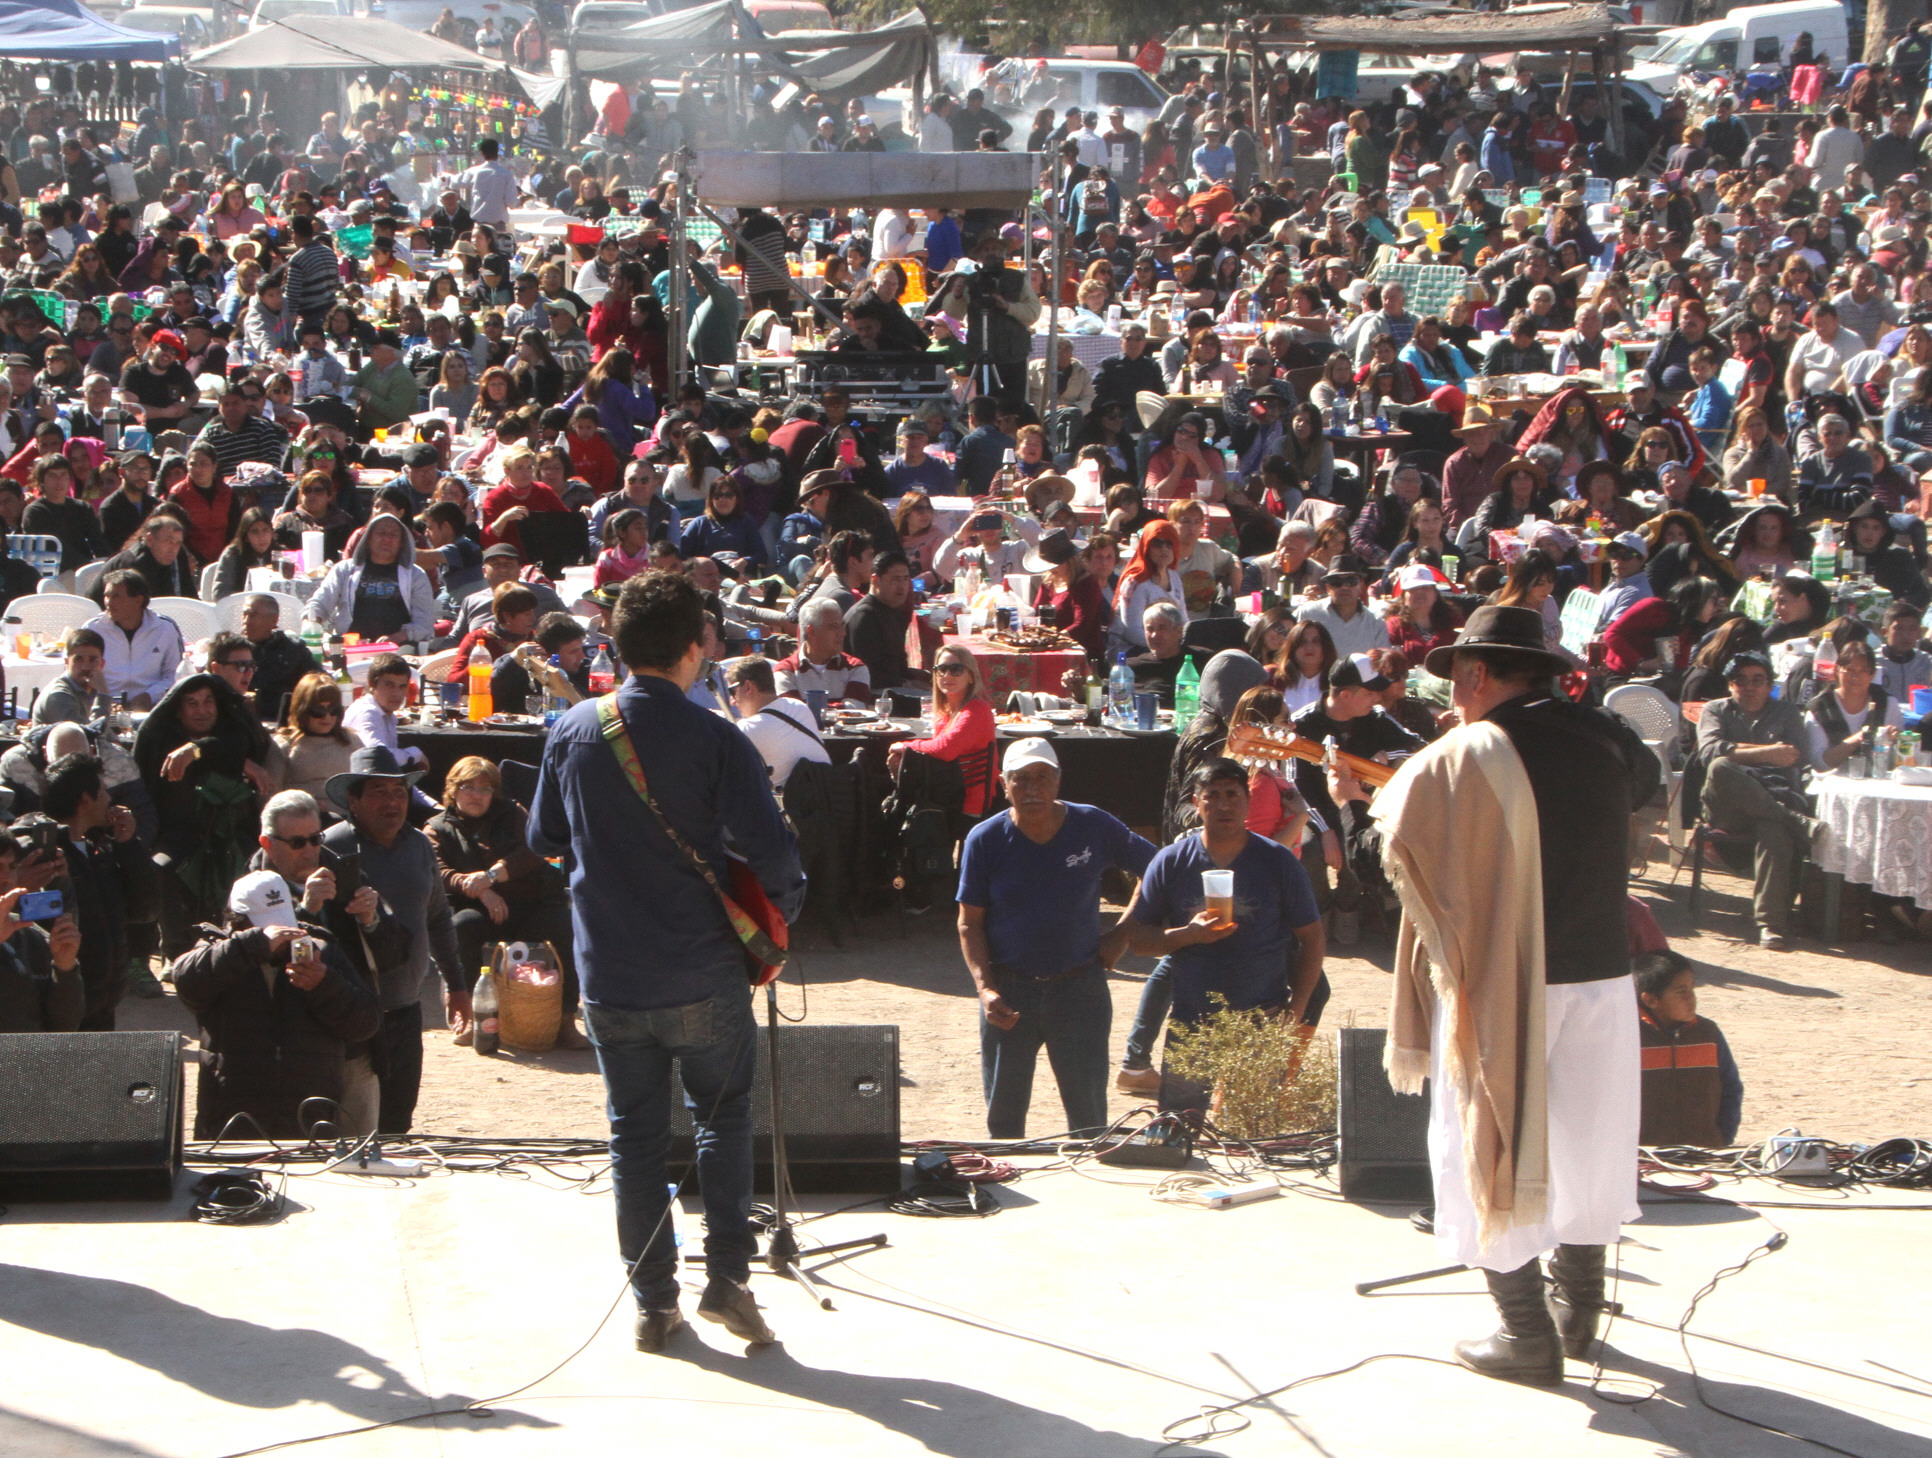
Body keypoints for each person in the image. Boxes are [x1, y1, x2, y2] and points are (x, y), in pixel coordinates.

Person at [1373, 603, 1660, 1386]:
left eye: (1458, 680)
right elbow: (1648, 779)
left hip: (1510, 979)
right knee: (1591, 1144)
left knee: (1481, 1140)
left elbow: (1386, 848)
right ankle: (1580, 1313)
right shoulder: (1603, 735)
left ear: (1475, 673)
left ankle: (1526, 1331)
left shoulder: (1467, 754)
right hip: (1601, 971)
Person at [529, 570, 805, 1353]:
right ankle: (728, 1282)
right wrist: (780, 917)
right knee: (722, 1120)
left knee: (635, 1138)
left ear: (618, 645)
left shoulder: (573, 728)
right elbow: (774, 857)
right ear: (695, 648)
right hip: (701, 967)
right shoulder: (716, 736)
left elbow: (543, 838)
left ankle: (654, 1302)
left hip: (609, 973)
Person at [957, 737, 1155, 1138]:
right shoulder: (986, 839)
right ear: (1003, 784)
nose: (1032, 788)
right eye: (1021, 778)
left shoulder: (1092, 825)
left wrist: (1122, 933)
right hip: (1009, 990)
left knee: (1090, 1121)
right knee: (1004, 1123)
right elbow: (969, 923)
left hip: (1079, 989)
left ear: (1059, 781)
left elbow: (1158, 869)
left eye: (1042, 777)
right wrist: (985, 989)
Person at [1123, 757, 1327, 1114]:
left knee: (1254, 1129)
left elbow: (1312, 938)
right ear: (1196, 803)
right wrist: (1188, 934)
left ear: (1248, 800)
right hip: (1193, 1021)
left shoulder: (1277, 862)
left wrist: (1294, 1013)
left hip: (1262, 1019)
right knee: (1181, 1125)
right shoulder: (1172, 861)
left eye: (1232, 794)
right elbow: (1139, 940)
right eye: (1212, 796)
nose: (1223, 805)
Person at [170, 867, 380, 1140]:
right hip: (231, 1121)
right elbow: (187, 983)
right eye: (267, 926)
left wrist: (323, 984)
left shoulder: (323, 949)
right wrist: (254, 945)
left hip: (309, 1121)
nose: (282, 935)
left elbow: (366, 1023)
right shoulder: (218, 949)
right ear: (239, 922)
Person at [322, 744, 462, 1135]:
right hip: (348, 1012)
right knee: (347, 1125)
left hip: (405, 1008)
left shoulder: (419, 845)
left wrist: (457, 986)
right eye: (379, 792)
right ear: (354, 800)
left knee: (398, 1122)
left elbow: (438, 918)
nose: (392, 802)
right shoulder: (330, 847)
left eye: (399, 792)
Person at [428, 755, 585, 1050]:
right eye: (468, 787)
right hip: (478, 909)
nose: (477, 795)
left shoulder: (513, 813)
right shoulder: (437, 827)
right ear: (453, 789)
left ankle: (566, 1019)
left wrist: (492, 876)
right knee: (461, 926)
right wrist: (481, 891)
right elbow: (439, 872)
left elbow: (535, 849)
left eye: (485, 789)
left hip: (529, 903)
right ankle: (472, 1017)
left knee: (563, 924)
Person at [44, 751, 156, 1030]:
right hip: (67, 1006)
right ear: (85, 800)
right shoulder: (49, 860)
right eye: (104, 791)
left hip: (104, 1004)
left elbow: (144, 910)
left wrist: (128, 845)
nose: (110, 800)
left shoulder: (101, 852)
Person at [1636, 948, 1743, 1148]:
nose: (1691, 998)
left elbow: (1731, 1087)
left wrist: (1722, 1138)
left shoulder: (1708, 1033)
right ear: (1651, 1000)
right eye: (1681, 992)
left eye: (1692, 989)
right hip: (1645, 1154)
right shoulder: (1630, 1037)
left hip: (1705, 1152)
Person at [303, 513, 437, 646]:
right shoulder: (344, 570)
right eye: (381, 533)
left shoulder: (415, 575)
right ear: (368, 539)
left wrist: (395, 638)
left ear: (402, 542)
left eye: (393, 535)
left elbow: (424, 623)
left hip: (399, 650)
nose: (386, 539)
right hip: (351, 647)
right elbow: (321, 602)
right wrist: (311, 622)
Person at [0, 832, 84, 1034]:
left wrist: (65, 968)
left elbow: (64, 1027)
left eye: (12, 867)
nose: (6, 878)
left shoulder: (33, 936)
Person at [85, 569, 184, 710]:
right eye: (107, 596)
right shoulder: (93, 629)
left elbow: (176, 675)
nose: (109, 602)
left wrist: (149, 696)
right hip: (104, 706)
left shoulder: (165, 628)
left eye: (116, 596)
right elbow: (80, 673)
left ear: (138, 600)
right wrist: (103, 699)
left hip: (153, 706)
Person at [728, 656, 829, 790]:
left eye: (732, 692)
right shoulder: (798, 705)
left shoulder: (748, 730)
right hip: (828, 795)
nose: (732, 701)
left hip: (794, 802)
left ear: (748, 686)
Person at [274, 673, 360, 802]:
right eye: (319, 711)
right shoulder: (285, 745)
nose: (327, 717)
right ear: (302, 710)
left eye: (333, 710)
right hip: (300, 811)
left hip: (345, 811)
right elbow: (269, 793)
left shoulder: (352, 741)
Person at [775, 597, 873, 705]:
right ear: (812, 631)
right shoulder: (785, 671)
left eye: (842, 626)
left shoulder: (855, 668)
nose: (843, 633)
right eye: (834, 626)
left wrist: (812, 709)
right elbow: (792, 712)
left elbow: (855, 709)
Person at [842, 551, 916, 691]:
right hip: (874, 694)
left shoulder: (892, 610)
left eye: (906, 579)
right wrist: (907, 686)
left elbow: (899, 667)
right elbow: (869, 675)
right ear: (875, 580)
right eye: (895, 579)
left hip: (895, 686)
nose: (902, 587)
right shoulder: (864, 617)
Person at [1295, 554, 1391, 657]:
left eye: (1351, 581)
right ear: (1327, 588)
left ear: (1361, 586)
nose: (1344, 587)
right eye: (1336, 582)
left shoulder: (1376, 624)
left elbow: (1382, 663)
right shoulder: (1307, 614)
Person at [33, 628, 110, 726]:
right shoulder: (58, 695)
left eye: (93, 660)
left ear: (102, 664)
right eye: (78, 659)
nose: (85, 667)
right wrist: (103, 694)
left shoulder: (92, 688)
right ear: (67, 662)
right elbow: (91, 732)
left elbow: (109, 730)